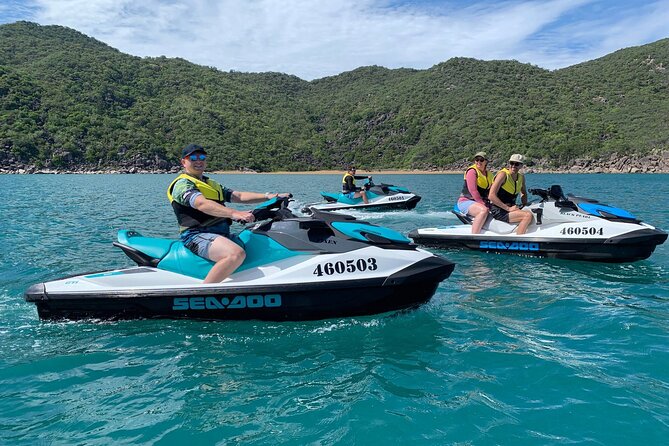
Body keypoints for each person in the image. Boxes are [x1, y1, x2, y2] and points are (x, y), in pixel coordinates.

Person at [167, 144, 290, 283]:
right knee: (235, 254)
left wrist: (270, 196)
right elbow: (201, 203)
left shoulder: (209, 183)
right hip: (197, 234)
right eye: (193, 158)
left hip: (220, 233)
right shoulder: (182, 184)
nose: (198, 161)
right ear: (184, 162)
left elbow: (238, 196)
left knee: (258, 240)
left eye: (202, 157)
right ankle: (204, 293)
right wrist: (234, 213)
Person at [488, 154, 534, 235]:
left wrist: (524, 205)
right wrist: (508, 209)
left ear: (521, 166)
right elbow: (491, 196)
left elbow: (523, 192)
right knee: (527, 216)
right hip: (499, 210)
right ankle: (519, 241)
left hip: (511, 207)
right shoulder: (503, 175)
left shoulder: (521, 177)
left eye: (516, 164)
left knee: (532, 211)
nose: (513, 166)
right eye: (512, 163)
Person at [457, 151, 493, 234]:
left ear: (486, 161)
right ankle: (475, 236)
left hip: (481, 202)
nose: (478, 162)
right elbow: (473, 191)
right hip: (466, 201)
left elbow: (491, 192)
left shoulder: (489, 174)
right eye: (476, 160)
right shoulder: (472, 171)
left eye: (481, 160)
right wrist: (483, 204)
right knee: (483, 210)